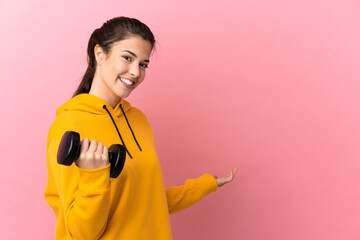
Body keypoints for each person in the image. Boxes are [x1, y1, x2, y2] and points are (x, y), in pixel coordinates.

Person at [44, 16, 237, 239]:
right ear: (100, 54)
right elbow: (81, 234)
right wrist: (94, 176)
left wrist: (206, 184)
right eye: (127, 58)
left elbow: (146, 201)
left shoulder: (138, 120)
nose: (136, 72)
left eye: (143, 64)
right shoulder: (68, 126)